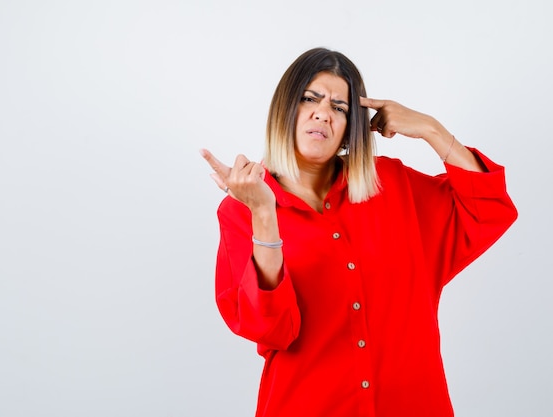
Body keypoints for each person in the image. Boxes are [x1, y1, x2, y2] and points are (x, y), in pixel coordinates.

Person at [200, 47, 517, 417]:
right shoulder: (243, 209)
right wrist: (264, 214)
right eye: (309, 98)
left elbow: (487, 209)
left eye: (340, 107)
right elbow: (271, 331)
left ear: (351, 127)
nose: (323, 112)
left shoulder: (393, 186)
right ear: (284, 110)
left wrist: (432, 130)